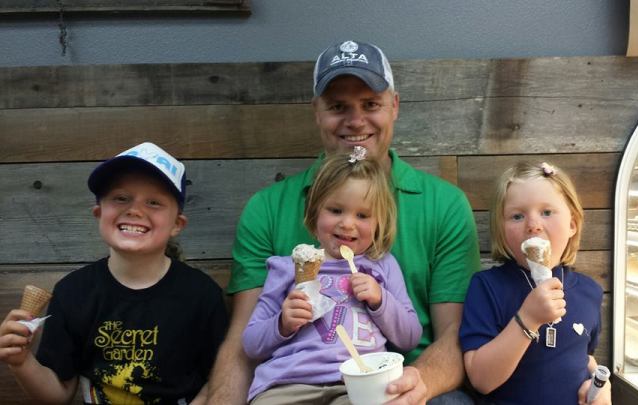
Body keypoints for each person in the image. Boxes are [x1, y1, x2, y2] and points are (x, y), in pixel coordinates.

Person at [208, 40, 482, 404]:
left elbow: (456, 333)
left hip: (399, 381)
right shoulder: (267, 208)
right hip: (291, 382)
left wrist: (419, 383)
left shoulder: (444, 205)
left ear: (395, 107)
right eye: (338, 107)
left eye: (370, 105)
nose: (355, 121)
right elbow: (245, 337)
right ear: (317, 112)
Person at [0, 142, 228, 404]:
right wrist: (20, 362)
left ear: (177, 224)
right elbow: (58, 394)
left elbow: (217, 380)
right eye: (121, 198)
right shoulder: (73, 292)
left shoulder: (201, 294)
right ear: (99, 213)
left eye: (154, 202)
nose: (134, 210)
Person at [243, 147, 422, 404]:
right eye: (336, 210)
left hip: (358, 384)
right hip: (289, 383)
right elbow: (251, 343)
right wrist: (282, 323)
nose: (347, 223)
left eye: (362, 215)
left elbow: (409, 338)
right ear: (314, 214)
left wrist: (379, 299)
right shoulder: (287, 268)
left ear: (379, 224)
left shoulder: (382, 266)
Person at [459, 162, 611, 404]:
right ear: (502, 230)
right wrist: (528, 318)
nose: (533, 225)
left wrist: (601, 385)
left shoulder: (589, 291)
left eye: (547, 212)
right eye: (517, 216)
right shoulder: (487, 287)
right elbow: (480, 379)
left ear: (572, 224)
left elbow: (584, 356)